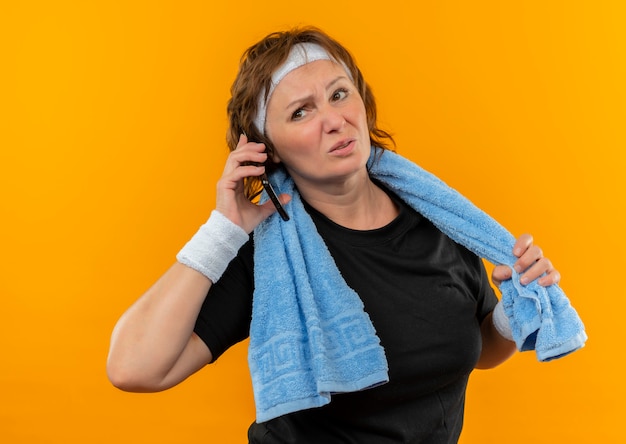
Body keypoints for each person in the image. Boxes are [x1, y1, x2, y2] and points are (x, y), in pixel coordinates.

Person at [106, 26, 561, 443]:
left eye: (339, 94)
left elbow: (479, 350)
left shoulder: (439, 218)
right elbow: (134, 368)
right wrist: (221, 232)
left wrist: (516, 308)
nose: (333, 120)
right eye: (301, 111)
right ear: (268, 150)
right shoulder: (269, 252)